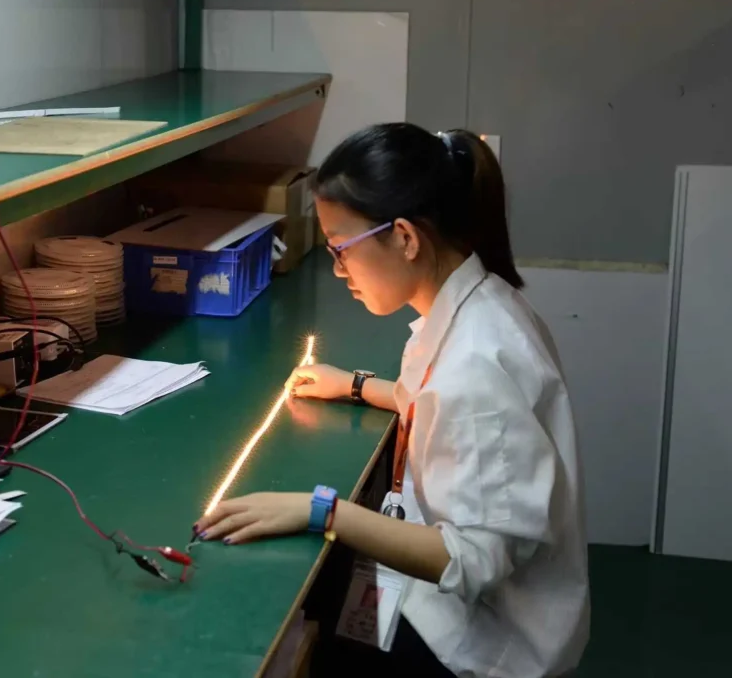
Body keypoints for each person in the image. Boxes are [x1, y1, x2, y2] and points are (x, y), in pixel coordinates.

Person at [194, 123, 590, 677]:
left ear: (404, 237)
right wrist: (354, 385)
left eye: (341, 250)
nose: (338, 272)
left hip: (484, 644)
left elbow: (472, 561)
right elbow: (429, 400)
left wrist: (322, 511)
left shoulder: (477, 365)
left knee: (309, 610)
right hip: (470, 597)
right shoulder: (475, 303)